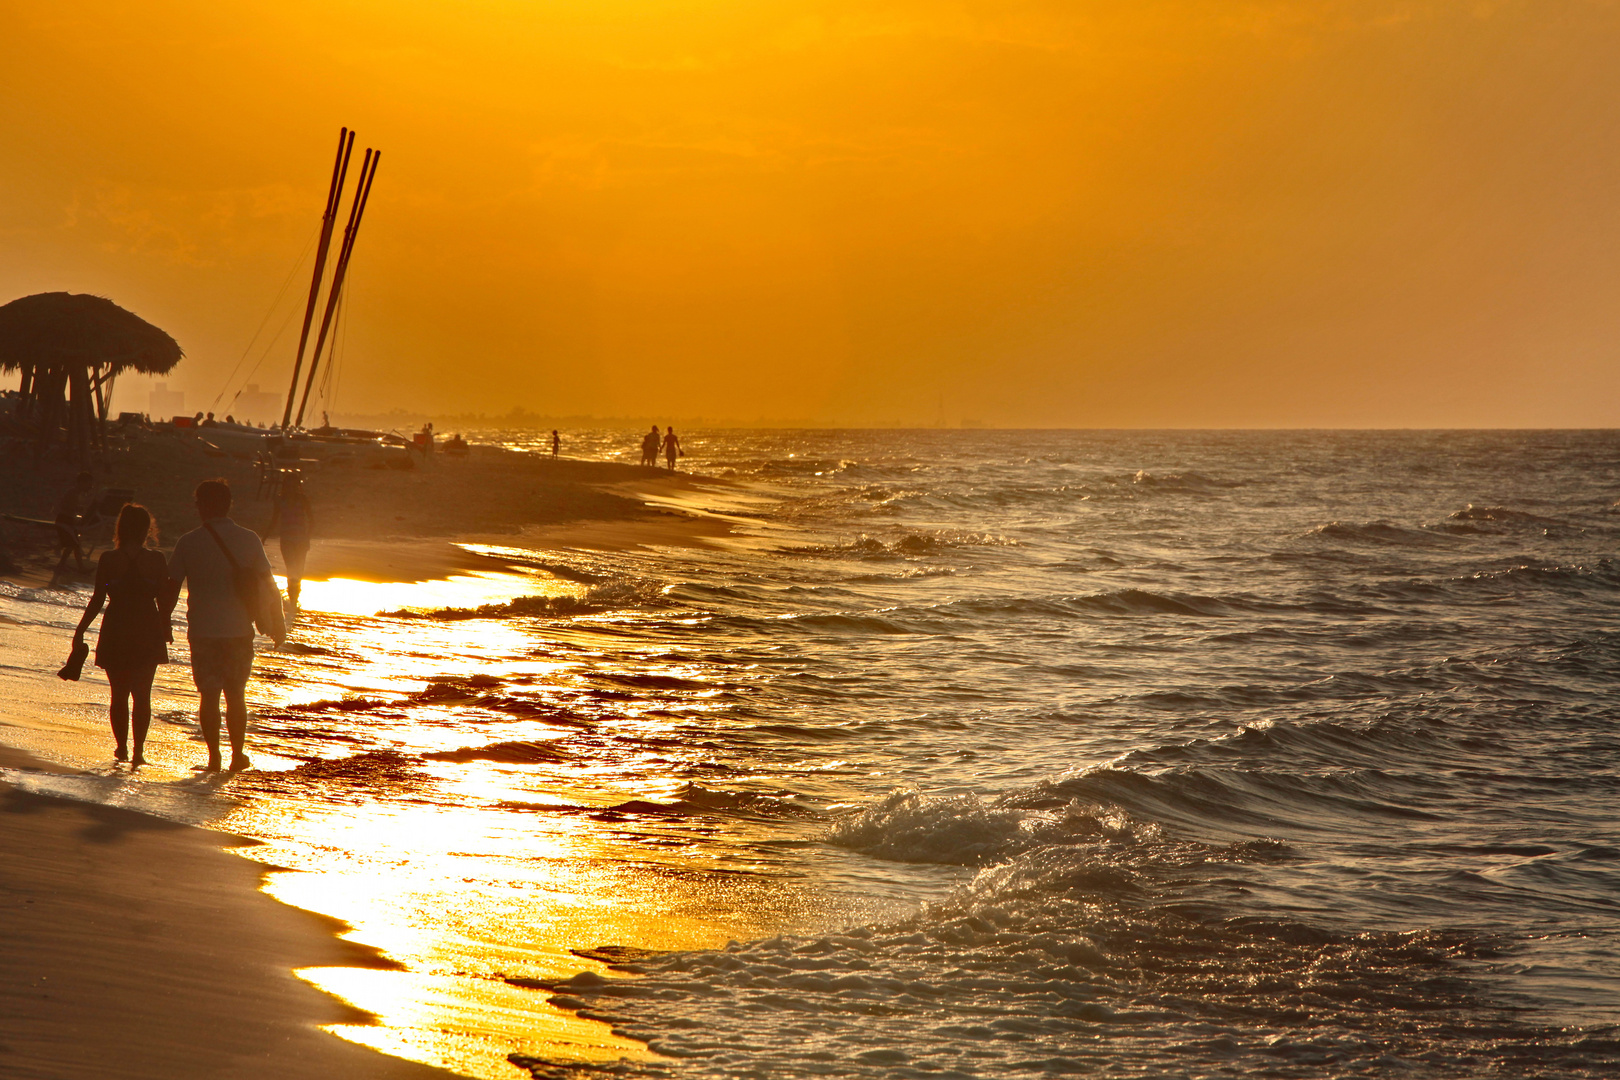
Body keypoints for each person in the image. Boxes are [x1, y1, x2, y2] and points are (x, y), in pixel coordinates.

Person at [168, 479, 277, 772]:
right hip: (239, 631)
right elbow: (269, 583)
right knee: (236, 695)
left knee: (209, 695)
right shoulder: (249, 538)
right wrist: (276, 621)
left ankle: (214, 757)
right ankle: (237, 756)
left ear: (201, 506)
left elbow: (171, 586)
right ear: (229, 504)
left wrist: (162, 622)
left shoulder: (188, 541)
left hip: (203, 631)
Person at [71, 504, 172, 765]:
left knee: (119, 694)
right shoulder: (157, 559)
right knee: (142, 695)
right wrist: (166, 628)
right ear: (147, 530)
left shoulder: (109, 559)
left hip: (116, 627)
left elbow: (97, 599)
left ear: (121, 528)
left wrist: (80, 630)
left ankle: (122, 748)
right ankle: (138, 752)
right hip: (147, 629)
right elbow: (164, 599)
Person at [265, 473, 313, 607]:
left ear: (297, 486)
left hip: (301, 540)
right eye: (289, 484)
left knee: (299, 569)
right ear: (285, 486)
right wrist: (264, 536)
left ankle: (294, 597)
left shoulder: (303, 499)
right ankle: (293, 600)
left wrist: (307, 537)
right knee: (291, 568)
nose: (291, 487)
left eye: (294, 484)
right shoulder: (280, 500)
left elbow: (312, 520)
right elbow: (274, 519)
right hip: (286, 540)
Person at [52, 471, 96, 577]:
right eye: (89, 484)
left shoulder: (77, 493)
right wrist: (78, 510)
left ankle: (64, 565)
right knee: (73, 544)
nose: (90, 486)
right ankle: (75, 567)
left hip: (67, 520)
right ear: (81, 482)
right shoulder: (72, 493)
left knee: (74, 545)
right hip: (64, 521)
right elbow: (66, 507)